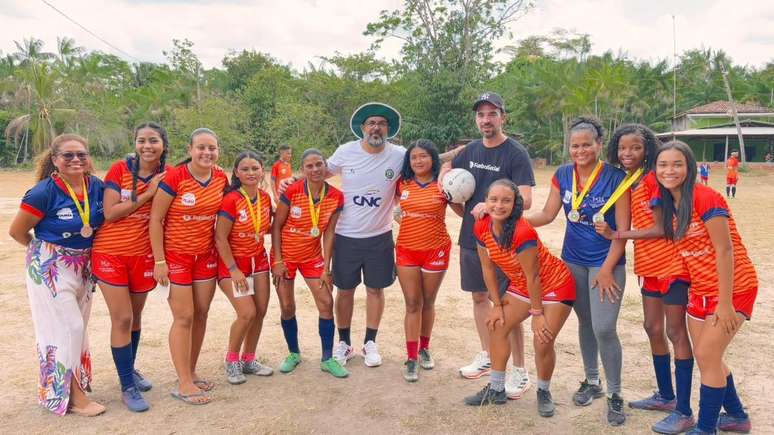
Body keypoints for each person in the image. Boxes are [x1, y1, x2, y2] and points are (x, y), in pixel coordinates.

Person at [527, 116, 630, 426]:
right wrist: (509, 217)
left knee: (604, 328)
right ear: (568, 147)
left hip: (606, 263)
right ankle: (592, 381)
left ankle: (615, 394)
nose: (580, 150)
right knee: (585, 322)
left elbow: (622, 232)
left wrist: (608, 269)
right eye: (575, 145)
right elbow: (546, 214)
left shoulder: (616, 177)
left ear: (599, 144)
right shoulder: (562, 174)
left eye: (587, 144)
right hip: (572, 260)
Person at [595, 124, 695, 433]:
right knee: (652, 327)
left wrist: (618, 234)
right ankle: (665, 395)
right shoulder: (629, 180)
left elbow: (662, 227)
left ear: (647, 149)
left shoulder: (652, 179)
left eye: (635, 148)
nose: (628, 153)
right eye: (623, 148)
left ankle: (683, 409)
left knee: (676, 333)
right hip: (649, 266)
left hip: (673, 266)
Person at [655, 141, 757, 434]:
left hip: (733, 289)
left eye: (677, 164)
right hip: (699, 290)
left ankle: (706, 428)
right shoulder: (668, 205)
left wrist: (725, 304)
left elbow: (724, 250)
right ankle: (737, 416)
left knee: (709, 357)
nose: (669, 170)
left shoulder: (705, 197)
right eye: (663, 165)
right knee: (706, 357)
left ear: (690, 167)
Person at [442, 92, 535, 399]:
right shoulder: (469, 150)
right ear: (476, 120)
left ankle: (520, 371)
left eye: (492, 113)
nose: (486, 119)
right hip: (472, 239)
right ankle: (487, 354)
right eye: (481, 115)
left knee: (510, 306)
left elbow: (526, 198)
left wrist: (490, 205)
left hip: (504, 244)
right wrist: (446, 180)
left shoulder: (515, 153)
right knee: (480, 298)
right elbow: (448, 171)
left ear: (502, 117)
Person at [9, 134, 105, 416]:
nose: (76, 160)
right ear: (55, 160)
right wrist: (47, 257)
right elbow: (16, 232)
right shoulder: (43, 192)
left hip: (84, 267)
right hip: (51, 267)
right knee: (69, 328)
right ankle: (73, 398)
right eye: (68, 156)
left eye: (82, 155)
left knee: (79, 329)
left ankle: (67, 387)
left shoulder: (96, 187)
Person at [463, 180, 575, 419]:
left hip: (555, 284)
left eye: (506, 200)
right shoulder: (481, 226)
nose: (499, 205)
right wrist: (496, 305)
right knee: (497, 326)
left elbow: (533, 275)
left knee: (542, 340)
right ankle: (496, 389)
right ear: (486, 201)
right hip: (524, 286)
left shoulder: (522, 231)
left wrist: (537, 315)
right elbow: (488, 268)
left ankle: (543, 391)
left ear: (515, 205)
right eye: (494, 200)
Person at [91, 123, 169, 412]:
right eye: (141, 141)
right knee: (122, 318)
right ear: (135, 143)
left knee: (135, 317)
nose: (147, 146)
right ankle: (127, 387)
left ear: (163, 144)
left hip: (143, 256)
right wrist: (147, 194)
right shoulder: (119, 169)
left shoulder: (169, 175)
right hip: (110, 252)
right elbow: (110, 214)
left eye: (153, 141)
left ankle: (130, 370)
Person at [150, 128, 228, 405]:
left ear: (218, 151)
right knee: (184, 317)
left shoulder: (220, 177)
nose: (207, 153)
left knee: (202, 314)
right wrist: (160, 261)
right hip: (177, 258)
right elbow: (156, 220)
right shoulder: (175, 177)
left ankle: (191, 372)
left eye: (212, 148)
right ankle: (182, 382)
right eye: (201, 148)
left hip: (205, 257)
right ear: (190, 149)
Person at [271, 149, 347, 378]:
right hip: (285, 257)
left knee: (326, 302)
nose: (315, 170)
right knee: (287, 306)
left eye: (319, 164)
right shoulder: (293, 191)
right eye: (309, 166)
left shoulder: (336, 196)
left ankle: (327, 358)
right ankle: (294, 353)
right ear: (302, 170)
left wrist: (326, 268)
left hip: (312, 258)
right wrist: (277, 260)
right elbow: (276, 226)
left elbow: (329, 232)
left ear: (326, 166)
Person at [394, 139, 463, 382]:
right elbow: (390, 205)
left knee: (428, 301)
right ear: (408, 161)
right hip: (406, 251)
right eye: (414, 157)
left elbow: (462, 211)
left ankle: (424, 347)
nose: (418, 161)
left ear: (432, 159)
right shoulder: (401, 183)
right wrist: (399, 216)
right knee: (412, 303)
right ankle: (411, 357)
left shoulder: (443, 185)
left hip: (436, 250)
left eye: (423, 156)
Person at [214, 151, 274, 385]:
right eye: (245, 169)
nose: (251, 173)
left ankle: (249, 359)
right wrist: (233, 269)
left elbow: (267, 226)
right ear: (237, 173)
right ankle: (232, 359)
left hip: (258, 261)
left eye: (255, 168)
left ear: (262, 170)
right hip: (234, 264)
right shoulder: (231, 199)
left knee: (259, 312)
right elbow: (220, 238)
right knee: (246, 313)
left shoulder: (265, 198)